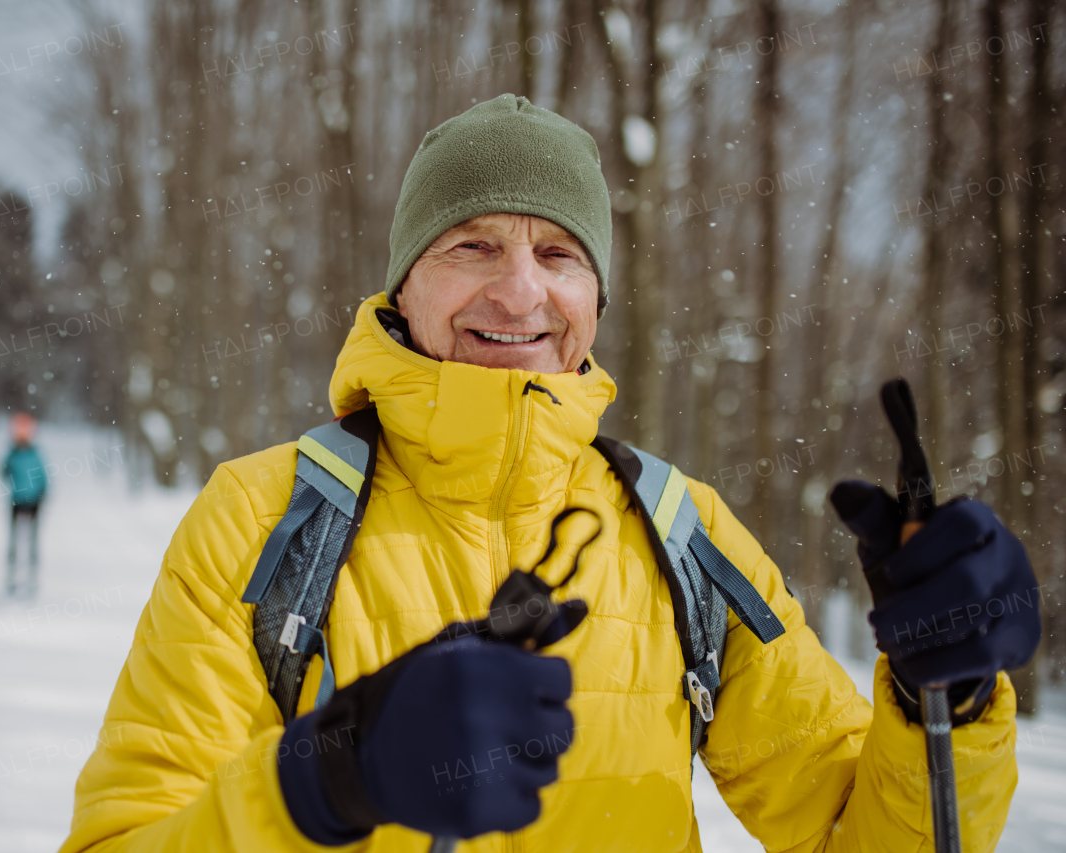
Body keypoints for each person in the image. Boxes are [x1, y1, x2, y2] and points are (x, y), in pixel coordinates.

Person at [59, 95, 1039, 852]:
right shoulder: (266, 515)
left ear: (595, 300)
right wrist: (327, 778)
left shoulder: (677, 527)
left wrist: (937, 702)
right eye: (472, 244)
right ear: (403, 284)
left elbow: (855, 833)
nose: (519, 290)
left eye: (558, 252)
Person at [1, 412, 47, 598]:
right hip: (17, 500)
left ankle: (31, 575)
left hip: (33, 501)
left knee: (31, 540)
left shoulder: (34, 455)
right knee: (14, 540)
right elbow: (3, 473)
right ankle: (12, 575)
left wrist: (43, 494)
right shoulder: (12, 454)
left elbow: (43, 477)